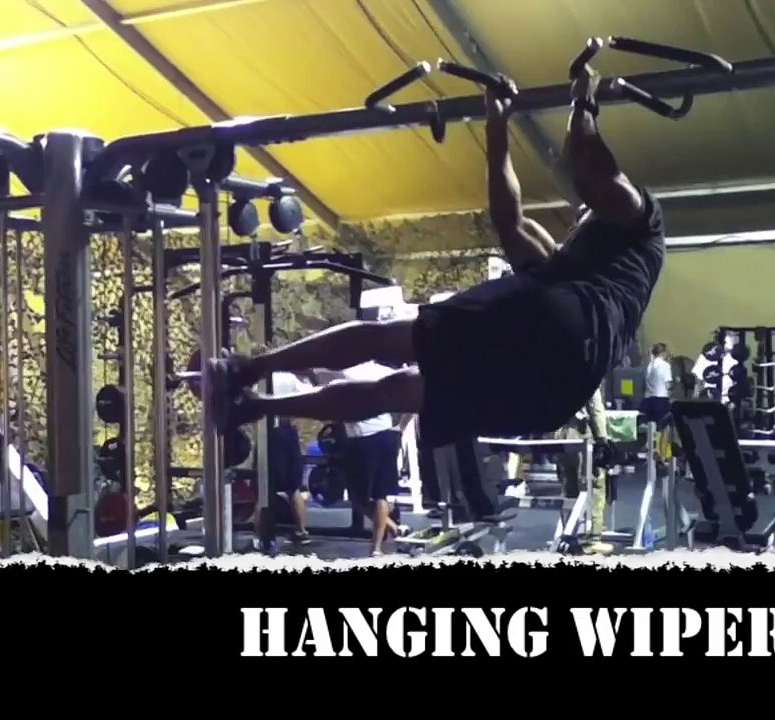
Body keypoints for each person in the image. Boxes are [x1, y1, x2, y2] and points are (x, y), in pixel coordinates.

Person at [205, 65, 667, 508]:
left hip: (569, 322)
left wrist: (584, 99)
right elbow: (509, 220)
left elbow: (588, 167)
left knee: (392, 338)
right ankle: (254, 408)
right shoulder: (567, 270)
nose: (580, 217)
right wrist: (497, 123)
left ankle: (245, 370)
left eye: (585, 215)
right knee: (398, 390)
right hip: (554, 395)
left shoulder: (642, 223)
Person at [186, 352, 311, 547]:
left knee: (261, 489)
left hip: (271, 433)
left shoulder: (259, 380)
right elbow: (307, 398)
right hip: (287, 432)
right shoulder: (288, 378)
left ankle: (260, 536)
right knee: (292, 489)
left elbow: (242, 399)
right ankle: (301, 531)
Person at [323, 362, 409, 557]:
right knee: (381, 494)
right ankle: (378, 546)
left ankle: (392, 529)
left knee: (357, 497)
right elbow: (412, 397)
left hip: (363, 439)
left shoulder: (345, 373)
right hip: (386, 434)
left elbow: (330, 403)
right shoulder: (387, 372)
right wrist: (400, 427)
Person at [555, 387, 612, 554]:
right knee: (594, 485)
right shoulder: (587, 376)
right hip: (581, 435)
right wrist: (602, 439)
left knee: (568, 487)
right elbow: (595, 408)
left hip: (560, 436)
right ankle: (592, 538)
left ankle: (570, 535)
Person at [640, 342, 672, 427]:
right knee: (662, 426)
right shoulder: (665, 365)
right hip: (661, 400)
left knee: (650, 427)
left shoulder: (650, 365)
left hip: (648, 400)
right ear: (664, 353)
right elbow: (668, 384)